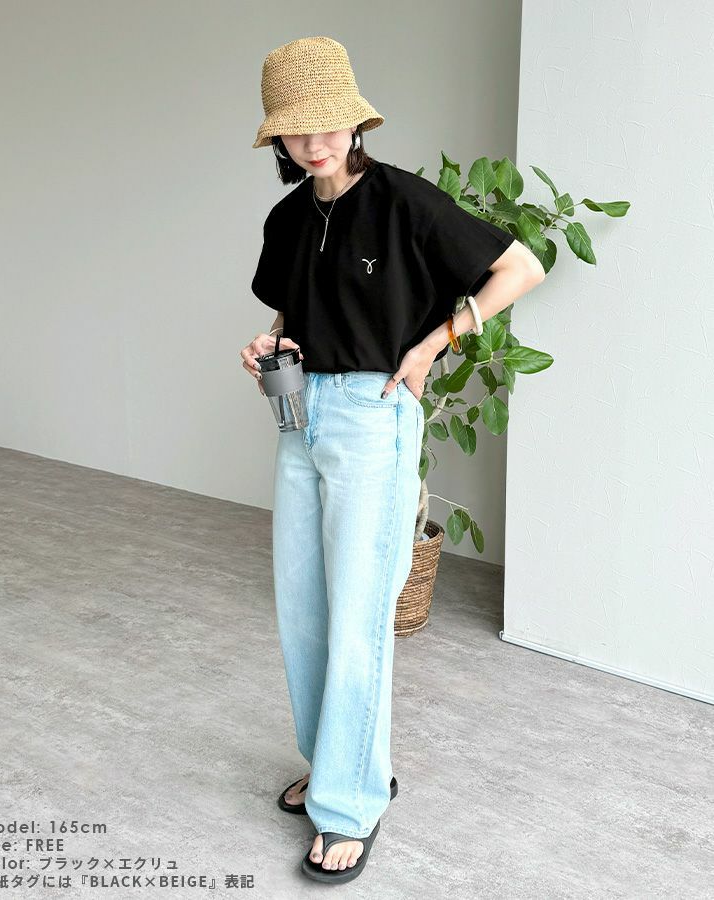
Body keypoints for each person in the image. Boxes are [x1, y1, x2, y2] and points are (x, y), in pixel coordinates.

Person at [240, 36, 544, 885]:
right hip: (299, 415)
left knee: (359, 614)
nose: (315, 143)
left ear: (355, 121)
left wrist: (435, 344)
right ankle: (334, 765)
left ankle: (350, 804)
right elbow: (293, 313)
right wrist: (265, 344)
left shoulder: (405, 200)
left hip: (373, 416)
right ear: (278, 137)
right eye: (297, 129)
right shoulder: (288, 219)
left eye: (328, 123)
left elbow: (521, 266)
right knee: (304, 607)